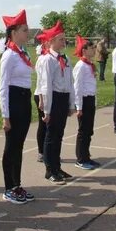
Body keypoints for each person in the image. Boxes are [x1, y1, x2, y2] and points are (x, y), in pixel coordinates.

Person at [0, 9, 35, 204]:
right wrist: (5, 115)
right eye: (24, 30)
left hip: (24, 101)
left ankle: (17, 184)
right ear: (13, 33)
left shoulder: (22, 53)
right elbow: (2, 87)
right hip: (13, 102)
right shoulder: (9, 56)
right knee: (11, 146)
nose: (27, 33)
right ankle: (8, 187)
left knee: (18, 146)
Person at [39, 20, 76, 185]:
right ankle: (50, 169)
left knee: (59, 135)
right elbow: (46, 85)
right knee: (51, 136)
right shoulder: (48, 60)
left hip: (62, 98)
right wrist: (46, 109)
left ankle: (57, 166)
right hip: (53, 98)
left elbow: (70, 82)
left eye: (64, 39)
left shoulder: (65, 58)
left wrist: (70, 104)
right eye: (60, 39)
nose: (64, 41)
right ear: (51, 41)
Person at [73, 35, 99, 170]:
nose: (94, 50)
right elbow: (77, 87)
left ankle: (86, 156)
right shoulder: (81, 66)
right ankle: (81, 159)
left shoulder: (90, 65)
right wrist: (79, 106)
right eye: (91, 48)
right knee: (83, 131)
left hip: (90, 100)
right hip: (84, 100)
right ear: (84, 50)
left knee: (89, 130)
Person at [33, 33, 50, 163]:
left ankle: (48, 150)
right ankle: (41, 151)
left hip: (49, 94)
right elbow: (40, 82)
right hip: (41, 95)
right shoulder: (42, 59)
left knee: (49, 125)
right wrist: (42, 99)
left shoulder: (51, 58)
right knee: (43, 124)